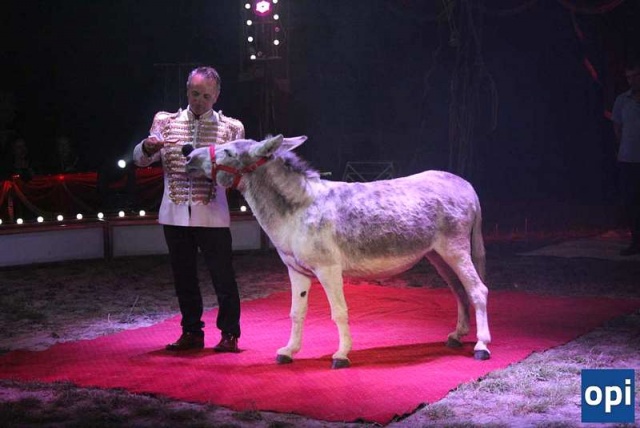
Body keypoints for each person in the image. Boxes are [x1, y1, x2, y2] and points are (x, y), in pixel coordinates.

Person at [133, 66, 244, 351]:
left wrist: (216, 170)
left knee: (223, 276)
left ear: (216, 96)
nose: (199, 101)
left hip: (213, 213)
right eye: (195, 94)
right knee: (184, 277)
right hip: (175, 212)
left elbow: (236, 175)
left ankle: (229, 333)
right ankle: (192, 332)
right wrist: (147, 147)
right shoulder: (165, 121)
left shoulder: (231, 128)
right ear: (187, 91)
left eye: (206, 96)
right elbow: (140, 160)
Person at [612, 58, 640, 256]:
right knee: (631, 202)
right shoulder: (622, 100)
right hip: (628, 159)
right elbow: (617, 128)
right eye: (629, 77)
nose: (632, 80)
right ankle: (636, 241)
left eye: (636, 76)